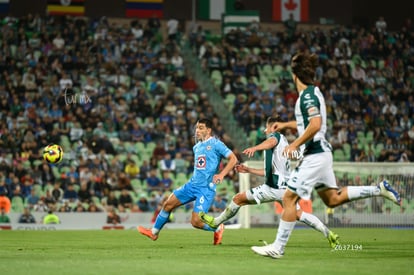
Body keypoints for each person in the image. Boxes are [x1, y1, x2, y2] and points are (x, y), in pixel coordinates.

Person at [251, 52, 401, 259]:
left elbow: (315, 125)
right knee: (332, 198)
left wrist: (293, 143)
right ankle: (379, 189)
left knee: (288, 198)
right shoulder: (313, 93)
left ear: (294, 75)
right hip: (322, 153)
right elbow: (307, 123)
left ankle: (278, 247)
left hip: (314, 154)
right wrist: (286, 125)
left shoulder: (307, 96)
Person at [200, 117, 339, 248]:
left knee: (238, 199)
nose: (265, 130)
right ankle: (329, 234)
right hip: (283, 189)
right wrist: (249, 169)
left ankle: (216, 222)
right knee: (298, 214)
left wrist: (255, 148)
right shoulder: (283, 144)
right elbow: (270, 171)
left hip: (273, 188)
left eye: (266, 127)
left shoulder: (275, 137)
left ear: (273, 127)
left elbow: (270, 141)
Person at [138, 118, 238, 245]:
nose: (197, 130)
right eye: (196, 127)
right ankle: (154, 232)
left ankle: (218, 228)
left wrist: (222, 174)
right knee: (168, 204)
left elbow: (233, 159)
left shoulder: (216, 143)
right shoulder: (196, 147)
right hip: (192, 185)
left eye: (201, 128)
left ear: (209, 130)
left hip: (205, 189)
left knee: (196, 222)